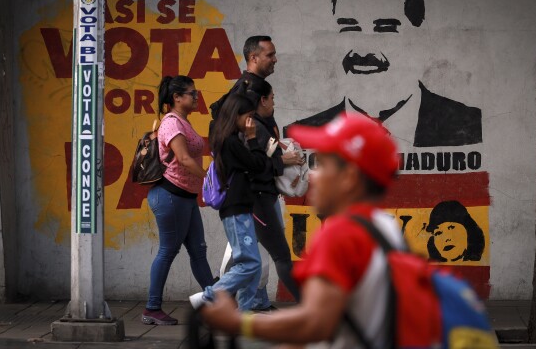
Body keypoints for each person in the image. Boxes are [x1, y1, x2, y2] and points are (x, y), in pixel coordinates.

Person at [200, 112, 406, 348]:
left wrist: (238, 324)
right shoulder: (385, 226)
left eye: (323, 164)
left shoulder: (342, 235)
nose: (313, 175)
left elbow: (314, 323)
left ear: (348, 178)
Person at [288, 0, 482, 148]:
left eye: (385, 30)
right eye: (349, 28)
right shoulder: (300, 136)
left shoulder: (469, 127)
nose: (363, 51)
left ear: (417, 41)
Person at [142, 75, 215, 326]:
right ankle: (152, 308)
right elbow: (184, 159)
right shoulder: (172, 123)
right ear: (177, 97)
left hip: (185, 197)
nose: (196, 97)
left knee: (198, 250)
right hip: (171, 196)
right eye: (192, 93)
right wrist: (210, 179)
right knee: (167, 250)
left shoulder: (184, 121)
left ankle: (217, 303)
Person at [190, 94, 267, 311]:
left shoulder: (228, 139)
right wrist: (252, 138)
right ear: (236, 116)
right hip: (236, 211)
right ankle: (208, 296)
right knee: (249, 263)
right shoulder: (231, 142)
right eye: (248, 117)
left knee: (254, 266)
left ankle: (241, 316)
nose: (251, 122)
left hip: (240, 209)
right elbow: (258, 164)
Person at [245, 78, 303, 307]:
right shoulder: (255, 127)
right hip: (258, 198)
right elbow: (254, 166)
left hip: (264, 198)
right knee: (280, 256)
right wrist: (283, 160)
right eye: (272, 98)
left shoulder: (263, 124)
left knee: (251, 259)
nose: (274, 103)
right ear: (262, 100)